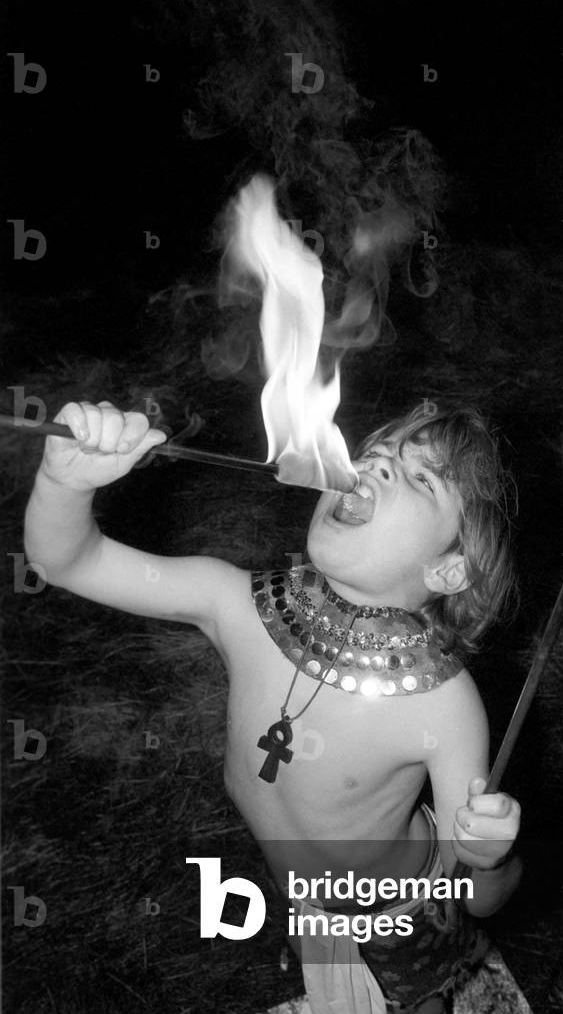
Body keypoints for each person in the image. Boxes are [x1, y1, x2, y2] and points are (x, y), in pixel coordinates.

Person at [24, 399, 523, 1014]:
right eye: (375, 454)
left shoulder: (444, 706)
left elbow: (478, 896)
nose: (378, 467)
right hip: (304, 897)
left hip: (402, 910)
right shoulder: (234, 603)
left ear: (450, 568)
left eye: (422, 478)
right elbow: (67, 561)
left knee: (417, 1003)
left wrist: (491, 857)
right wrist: (63, 482)